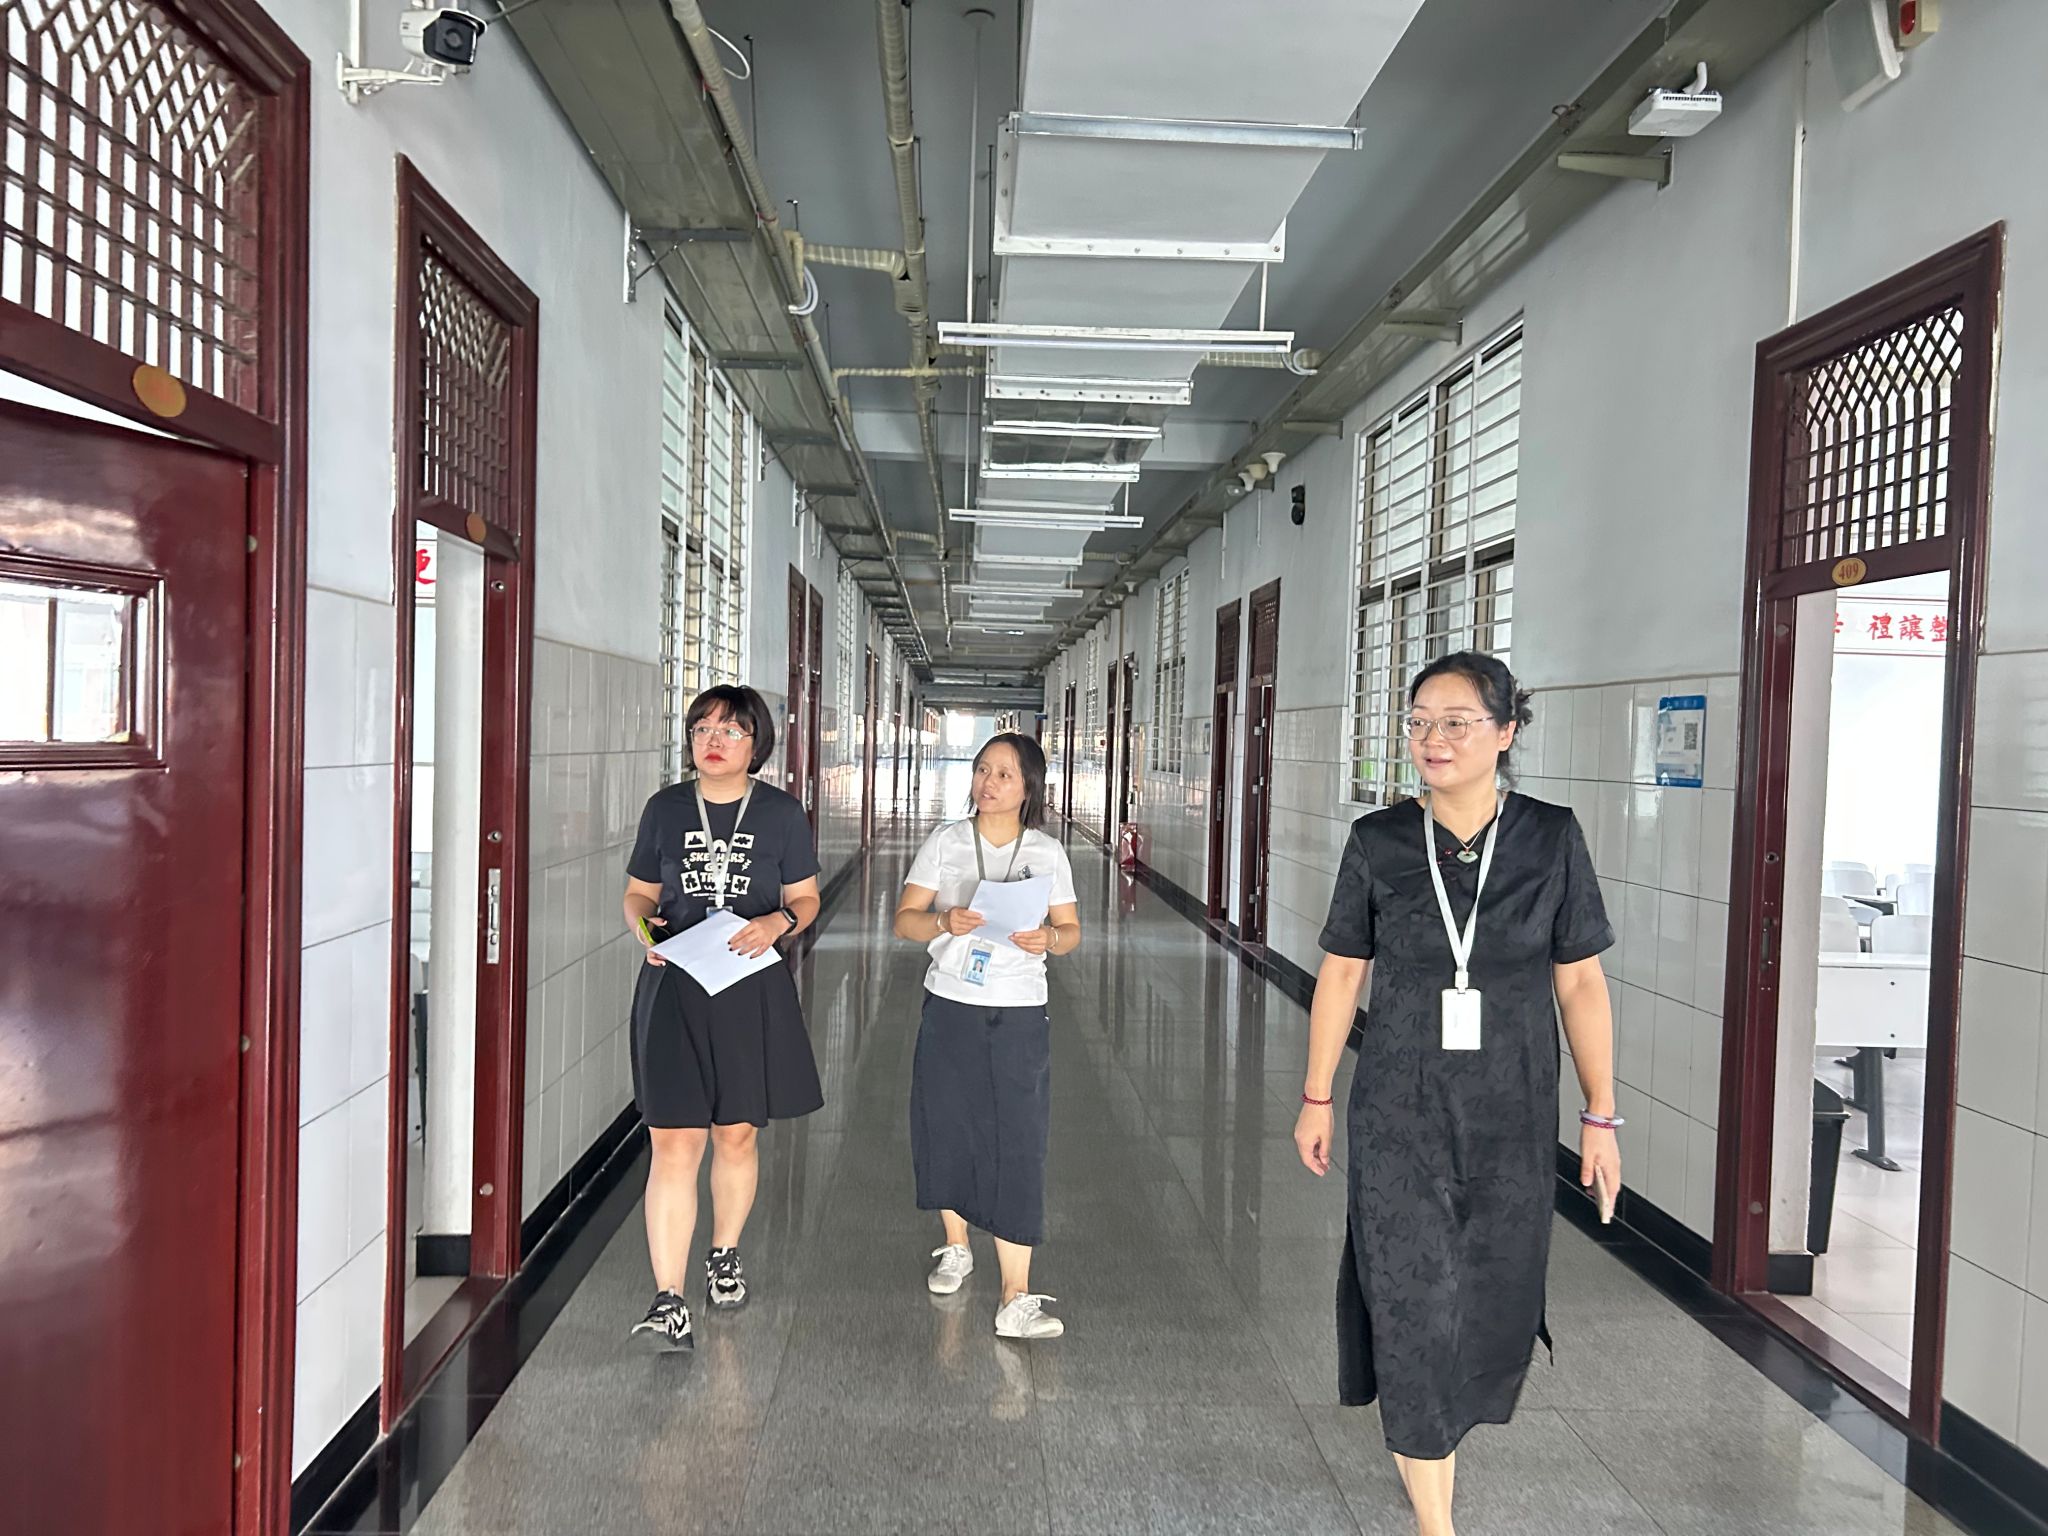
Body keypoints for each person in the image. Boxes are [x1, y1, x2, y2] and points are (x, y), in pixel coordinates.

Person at [1293, 651, 1620, 1536]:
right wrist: (1317, 1094)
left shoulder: (1550, 839)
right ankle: (1435, 1516)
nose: (1432, 739)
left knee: (1486, 1298)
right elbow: (1342, 970)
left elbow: (1580, 982)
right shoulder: (1380, 842)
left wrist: (1600, 1115)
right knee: (1410, 1301)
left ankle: (1435, 1433)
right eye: (1419, 722)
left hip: (1513, 1114)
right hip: (1400, 1110)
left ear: (1506, 732)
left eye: (1456, 722)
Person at [622, 685, 824, 1350]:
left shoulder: (781, 814)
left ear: (755, 744)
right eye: (703, 728)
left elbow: (805, 899)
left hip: (746, 987)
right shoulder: (665, 809)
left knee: (735, 1135)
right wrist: (644, 931)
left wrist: (777, 922)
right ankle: (668, 1299)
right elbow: (639, 894)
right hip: (674, 986)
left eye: (732, 731)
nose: (714, 741)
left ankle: (724, 1253)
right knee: (674, 1142)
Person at [893, 732, 1081, 1340]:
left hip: (1019, 1009)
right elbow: (904, 921)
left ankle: (1015, 1295)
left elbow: (1071, 930)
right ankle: (956, 1245)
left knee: (1018, 1141)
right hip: (951, 1004)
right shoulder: (946, 842)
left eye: (1004, 774)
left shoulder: (1047, 852)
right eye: (981, 770)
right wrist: (943, 921)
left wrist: (1049, 938)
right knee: (946, 1123)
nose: (988, 782)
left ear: (1028, 787)